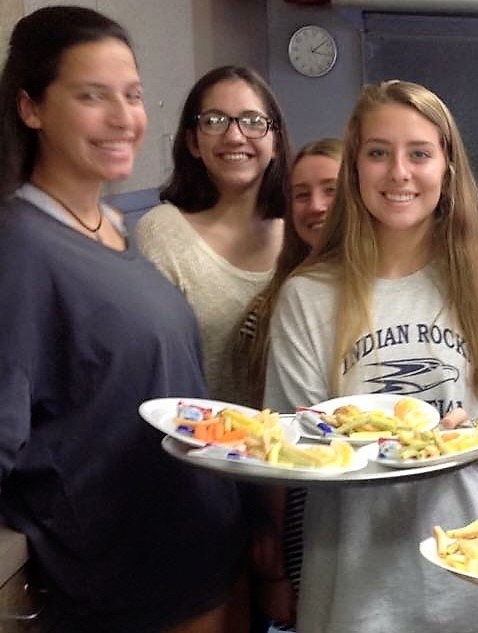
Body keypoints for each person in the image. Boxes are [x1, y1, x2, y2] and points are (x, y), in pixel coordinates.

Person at [263, 79, 478, 633]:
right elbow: (294, 440)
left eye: (419, 154)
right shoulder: (307, 296)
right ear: (355, 170)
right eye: (378, 153)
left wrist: (474, 436)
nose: (399, 173)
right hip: (353, 592)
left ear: (447, 170)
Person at [0, 6, 247, 631]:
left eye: (132, 96)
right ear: (31, 108)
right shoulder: (19, 246)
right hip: (125, 584)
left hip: (196, 553)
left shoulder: (111, 229)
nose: (123, 118)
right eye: (92, 96)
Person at [135, 65, 291, 404]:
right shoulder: (162, 231)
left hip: (291, 446)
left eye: (252, 121)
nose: (235, 136)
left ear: (275, 140)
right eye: (215, 121)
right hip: (195, 444)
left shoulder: (302, 232)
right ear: (192, 141)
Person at [237, 138, 344, 630]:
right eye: (301, 194)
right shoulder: (274, 308)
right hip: (303, 525)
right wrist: (275, 566)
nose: (316, 206)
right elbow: (271, 441)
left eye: (331, 190)